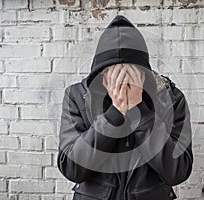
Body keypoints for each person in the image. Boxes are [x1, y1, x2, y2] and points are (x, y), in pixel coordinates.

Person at [57, 15, 193, 200]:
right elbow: (72, 169)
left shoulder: (171, 99)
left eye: (130, 73)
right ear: (102, 74)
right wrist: (114, 114)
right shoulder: (78, 96)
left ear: (143, 74)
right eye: (114, 74)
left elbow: (178, 171)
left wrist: (140, 111)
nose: (122, 81)